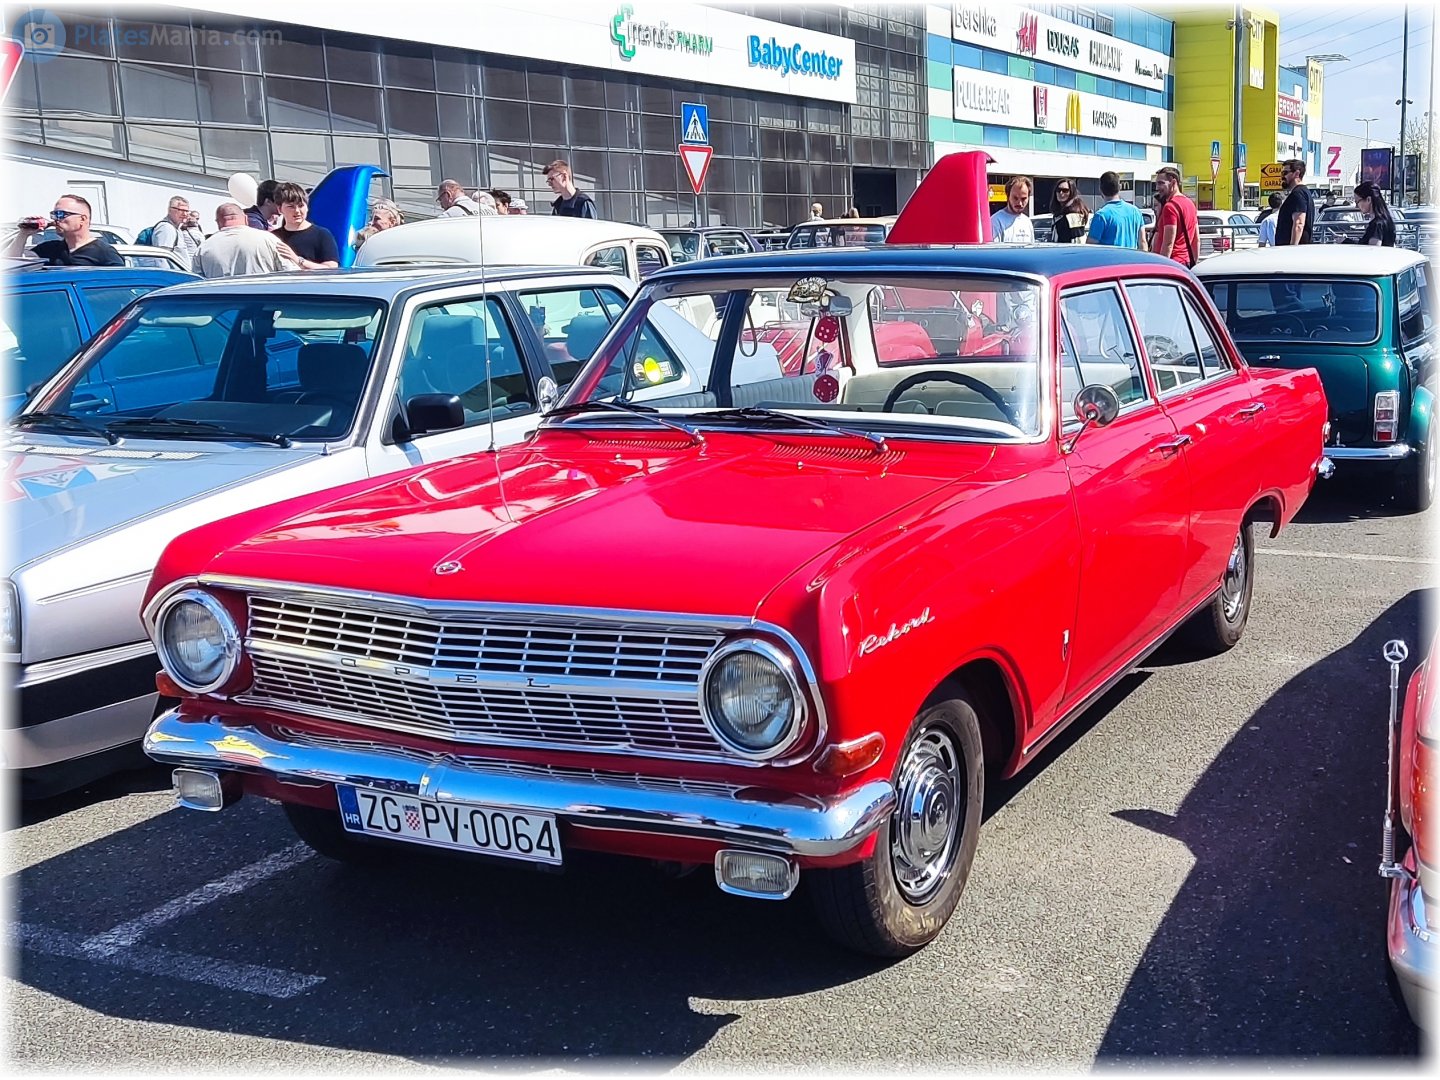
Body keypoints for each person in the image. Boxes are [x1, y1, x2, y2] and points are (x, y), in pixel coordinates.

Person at [6, 194, 123, 265]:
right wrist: (23, 234)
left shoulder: (104, 253)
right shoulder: (49, 249)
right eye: (54, 214)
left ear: (82, 219)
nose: (56, 219)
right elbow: (13, 263)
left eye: (61, 214)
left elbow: (120, 290)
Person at [192, 203, 293, 278]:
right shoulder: (269, 239)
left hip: (223, 304)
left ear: (218, 222)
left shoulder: (203, 249)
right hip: (265, 303)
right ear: (246, 218)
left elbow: (197, 283)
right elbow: (290, 273)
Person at [271, 181, 340, 270]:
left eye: (301, 206)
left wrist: (298, 260)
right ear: (279, 209)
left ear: (307, 207)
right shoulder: (273, 237)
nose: (297, 211)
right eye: (291, 206)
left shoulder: (321, 235)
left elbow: (331, 268)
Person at [1150, 166, 1199, 267]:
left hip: (1173, 263)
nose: (1157, 188)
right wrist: (1194, 263)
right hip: (1186, 262)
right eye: (1157, 183)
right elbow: (1196, 239)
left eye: (1161, 183)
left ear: (1173, 182)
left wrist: (1162, 268)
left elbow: (1168, 243)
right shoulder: (1190, 203)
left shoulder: (1170, 207)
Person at [1087, 171, 1145, 249]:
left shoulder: (1101, 215)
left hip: (1110, 260)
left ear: (1100, 189)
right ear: (1119, 187)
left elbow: (1090, 247)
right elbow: (1142, 242)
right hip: (1132, 260)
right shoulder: (1136, 211)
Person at [149, 195, 202, 270]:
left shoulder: (176, 229)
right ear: (170, 210)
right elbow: (161, 260)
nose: (185, 214)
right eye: (181, 210)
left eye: (187, 211)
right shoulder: (166, 228)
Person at [1274, 158, 1314, 246]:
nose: (1282, 177)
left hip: (1295, 253)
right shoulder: (1303, 192)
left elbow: (1299, 223)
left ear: (1297, 173)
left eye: (1285, 173)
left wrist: (1292, 249)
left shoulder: (1298, 194)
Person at [1349, 180, 1397, 246]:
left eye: (1357, 202)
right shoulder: (1386, 220)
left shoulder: (1376, 224)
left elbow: (1373, 250)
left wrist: (1346, 241)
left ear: (1368, 200)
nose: (1356, 206)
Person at [989, 176, 1035, 244]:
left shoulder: (1027, 222)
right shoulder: (996, 221)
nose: (1019, 203)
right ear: (1008, 196)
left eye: (1023, 199)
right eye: (1015, 198)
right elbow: (994, 252)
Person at [1050, 178, 1090, 244]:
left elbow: (1078, 242)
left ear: (1072, 192)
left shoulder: (1074, 215)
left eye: (1065, 190)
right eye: (1058, 190)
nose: (1061, 193)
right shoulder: (1059, 214)